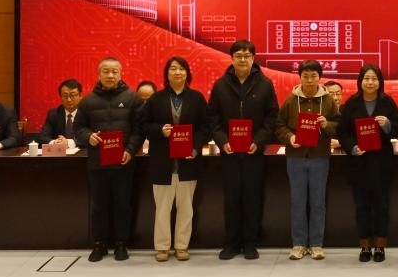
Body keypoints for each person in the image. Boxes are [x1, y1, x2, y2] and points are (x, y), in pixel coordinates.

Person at [208, 39, 279, 260]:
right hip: (229, 152)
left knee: (252, 198)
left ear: (253, 58)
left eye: (247, 56)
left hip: (253, 152)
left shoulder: (265, 84)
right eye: (238, 56)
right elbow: (212, 118)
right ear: (231, 58)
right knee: (231, 199)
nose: (242, 59)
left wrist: (258, 141)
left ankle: (250, 243)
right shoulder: (220, 85)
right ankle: (231, 243)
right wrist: (222, 141)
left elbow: (272, 117)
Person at [73, 57, 144, 262]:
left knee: (123, 205)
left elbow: (139, 129)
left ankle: (121, 244)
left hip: (124, 162)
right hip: (97, 163)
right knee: (99, 206)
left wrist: (130, 150)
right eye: (106, 71)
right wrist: (88, 137)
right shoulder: (88, 101)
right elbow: (78, 128)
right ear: (99, 74)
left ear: (121, 74)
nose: (110, 75)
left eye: (114, 71)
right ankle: (99, 244)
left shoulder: (133, 99)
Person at [140, 57, 209, 262]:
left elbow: (205, 128)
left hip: (188, 163)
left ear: (187, 73)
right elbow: (143, 125)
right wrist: (159, 130)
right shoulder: (155, 99)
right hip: (162, 164)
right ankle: (162, 247)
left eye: (181, 69)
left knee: (186, 208)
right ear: (167, 74)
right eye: (173, 69)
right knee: (162, 209)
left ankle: (181, 245)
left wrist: (195, 148)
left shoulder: (197, 98)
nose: (177, 72)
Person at [275, 60, 339, 261]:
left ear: (320, 77)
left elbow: (339, 125)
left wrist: (327, 124)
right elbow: (279, 126)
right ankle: (299, 244)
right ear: (300, 77)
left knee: (318, 202)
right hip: (296, 158)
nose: (310, 80)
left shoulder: (328, 101)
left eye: (313, 76)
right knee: (298, 202)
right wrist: (289, 137)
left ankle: (317, 244)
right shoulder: (290, 100)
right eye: (306, 76)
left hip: (320, 157)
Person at [337, 63, 398, 262]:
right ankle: (364, 246)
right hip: (359, 163)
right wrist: (353, 147)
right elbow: (343, 132)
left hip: (382, 163)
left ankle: (380, 246)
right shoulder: (351, 103)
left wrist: (388, 125)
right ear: (360, 81)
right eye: (366, 78)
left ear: (380, 82)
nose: (370, 82)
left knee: (382, 207)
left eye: (374, 78)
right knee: (362, 207)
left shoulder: (387, 102)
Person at [38, 79, 83, 145]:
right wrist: (54, 142)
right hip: (59, 150)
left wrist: (69, 143)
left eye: (72, 95)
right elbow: (42, 137)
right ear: (60, 97)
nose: (69, 100)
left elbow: (90, 138)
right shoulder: (54, 114)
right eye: (65, 96)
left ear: (80, 96)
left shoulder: (87, 114)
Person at [325, 80, 345, 151]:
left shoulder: (350, 111)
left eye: (338, 94)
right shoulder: (317, 112)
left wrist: (341, 142)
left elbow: (359, 137)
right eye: (331, 95)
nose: (335, 98)